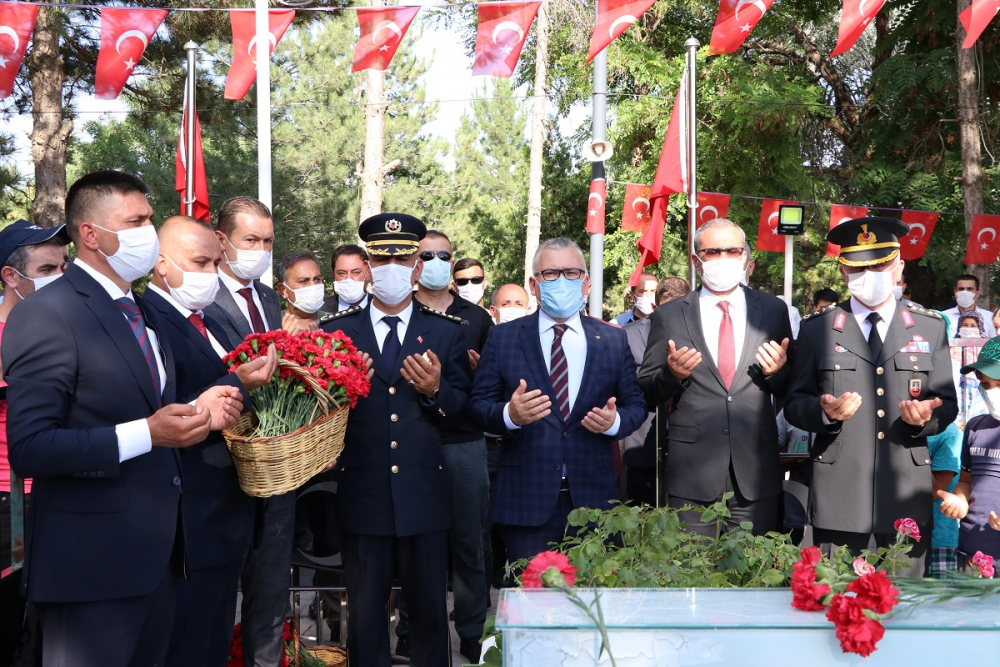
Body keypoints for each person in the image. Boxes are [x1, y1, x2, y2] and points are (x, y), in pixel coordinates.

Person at [2, 170, 242, 667]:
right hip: (91, 568)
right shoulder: (49, 313)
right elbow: (32, 445)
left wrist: (208, 408)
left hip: (161, 560)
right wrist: (148, 434)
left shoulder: (141, 309)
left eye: (150, 220)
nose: (149, 232)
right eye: (135, 222)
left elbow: (152, 408)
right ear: (90, 235)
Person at [320, 213, 471, 667]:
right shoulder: (336, 332)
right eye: (381, 257)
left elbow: (462, 411)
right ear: (366, 265)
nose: (391, 265)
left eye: (402, 256)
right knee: (365, 616)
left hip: (423, 494)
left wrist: (435, 391)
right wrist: (339, 396)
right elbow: (319, 415)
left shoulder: (446, 332)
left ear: (417, 266)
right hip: (363, 492)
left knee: (428, 613)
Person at [785, 217, 957, 576]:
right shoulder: (818, 329)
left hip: (905, 496)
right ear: (844, 271)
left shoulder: (929, 325)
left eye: (880, 265)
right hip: (840, 494)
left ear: (899, 267)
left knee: (905, 610)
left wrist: (924, 419)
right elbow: (795, 403)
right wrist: (827, 414)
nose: (870, 274)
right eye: (857, 267)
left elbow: (947, 404)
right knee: (838, 606)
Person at [144, 216, 279, 667]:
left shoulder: (210, 322)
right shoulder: (150, 321)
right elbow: (163, 406)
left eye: (215, 263)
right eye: (199, 262)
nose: (210, 274)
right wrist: (236, 381)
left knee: (214, 638)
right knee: (187, 641)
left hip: (228, 512)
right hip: (189, 518)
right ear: (161, 263)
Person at [467, 237, 647, 566]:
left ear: (587, 283)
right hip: (526, 500)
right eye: (550, 273)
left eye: (572, 272)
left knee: (592, 607)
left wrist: (615, 423)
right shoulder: (504, 338)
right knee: (529, 604)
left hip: (594, 502)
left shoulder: (611, 338)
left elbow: (635, 405)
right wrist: (510, 415)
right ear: (534, 285)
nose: (561, 281)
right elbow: (478, 406)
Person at [638, 219, 793, 536]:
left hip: (756, 474)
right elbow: (646, 390)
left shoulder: (774, 311)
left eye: (732, 250)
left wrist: (778, 372)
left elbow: (793, 387)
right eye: (713, 251)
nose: (724, 258)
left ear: (745, 257)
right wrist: (672, 375)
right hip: (692, 477)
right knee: (691, 578)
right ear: (696, 259)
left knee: (754, 577)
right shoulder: (670, 315)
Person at [202, 196, 287, 667]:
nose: (259, 249)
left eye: (267, 241)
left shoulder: (270, 299)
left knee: (270, 596)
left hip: (275, 468)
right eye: (250, 240)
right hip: (218, 467)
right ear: (222, 241)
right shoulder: (198, 297)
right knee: (214, 602)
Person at [403, 230, 493, 662]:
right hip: (413, 442)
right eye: (427, 255)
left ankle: (473, 629)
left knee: (469, 543)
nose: (436, 261)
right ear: (413, 262)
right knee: (413, 541)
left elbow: (495, 388)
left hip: (464, 443)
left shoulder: (475, 318)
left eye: (444, 255)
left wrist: (477, 375)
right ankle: (410, 627)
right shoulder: (400, 311)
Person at [0, 220, 70, 572]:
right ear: (12, 276)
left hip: (64, 488)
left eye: (63, 267)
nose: (60, 276)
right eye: (46, 269)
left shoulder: (73, 328)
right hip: (9, 497)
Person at [620, 277, 690, 506]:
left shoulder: (701, 334)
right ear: (656, 306)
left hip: (691, 447)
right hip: (642, 443)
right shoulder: (627, 335)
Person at [938, 337, 1000, 567]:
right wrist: (960, 501)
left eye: (999, 383)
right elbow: (966, 481)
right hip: (970, 554)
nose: (992, 392)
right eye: (985, 384)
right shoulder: (976, 426)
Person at [276, 251, 327, 334]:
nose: (312, 286)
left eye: (317, 279)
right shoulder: (270, 324)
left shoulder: (335, 322)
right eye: (303, 281)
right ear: (283, 290)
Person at [943, 274, 997, 339]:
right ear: (955, 292)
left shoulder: (990, 318)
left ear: (977, 293)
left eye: (969, 289)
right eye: (961, 289)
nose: (965, 292)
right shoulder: (943, 317)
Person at [323, 244, 369, 313]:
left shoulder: (383, 307)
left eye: (356, 272)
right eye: (342, 273)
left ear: (367, 272)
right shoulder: (319, 310)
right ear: (334, 274)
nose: (348, 279)